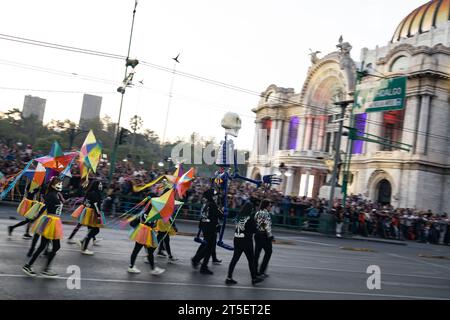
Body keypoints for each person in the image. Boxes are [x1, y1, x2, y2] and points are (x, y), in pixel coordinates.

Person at [22, 178, 65, 277]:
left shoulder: (56, 194)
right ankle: (37, 267)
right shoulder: (51, 195)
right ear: (53, 185)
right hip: (50, 222)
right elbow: (43, 208)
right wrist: (34, 218)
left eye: (61, 183)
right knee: (51, 246)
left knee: (48, 246)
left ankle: (34, 266)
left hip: (54, 221)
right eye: (59, 183)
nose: (61, 185)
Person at [225, 201, 264, 286]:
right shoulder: (250, 218)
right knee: (251, 261)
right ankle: (254, 278)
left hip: (237, 239)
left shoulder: (238, 216)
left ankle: (229, 277)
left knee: (234, 259)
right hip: (246, 242)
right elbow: (255, 230)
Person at [127, 193, 165, 276]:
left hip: (144, 231)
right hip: (145, 232)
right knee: (140, 250)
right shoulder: (151, 210)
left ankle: (152, 268)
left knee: (147, 250)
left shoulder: (146, 209)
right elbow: (151, 223)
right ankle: (132, 266)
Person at [72, 180, 106, 255]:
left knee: (92, 230)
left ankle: (82, 242)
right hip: (92, 213)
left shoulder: (90, 192)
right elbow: (96, 205)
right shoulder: (95, 194)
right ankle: (84, 247)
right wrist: (98, 215)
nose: (101, 186)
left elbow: (86, 202)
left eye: (101, 184)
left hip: (88, 212)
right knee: (95, 230)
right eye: (100, 184)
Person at [191, 188, 220, 275]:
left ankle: (202, 264)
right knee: (208, 248)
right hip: (211, 228)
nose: (216, 197)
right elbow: (217, 216)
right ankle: (198, 261)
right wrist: (223, 213)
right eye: (214, 196)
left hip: (206, 228)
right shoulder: (212, 205)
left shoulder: (207, 204)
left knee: (208, 247)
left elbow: (203, 217)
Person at [254, 199, 274, 278]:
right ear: (267, 206)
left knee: (257, 254)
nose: (271, 207)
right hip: (264, 235)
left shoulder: (257, 213)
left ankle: (255, 270)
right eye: (270, 206)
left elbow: (255, 222)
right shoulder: (266, 214)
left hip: (257, 235)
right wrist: (270, 236)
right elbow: (267, 226)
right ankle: (262, 270)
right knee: (269, 252)